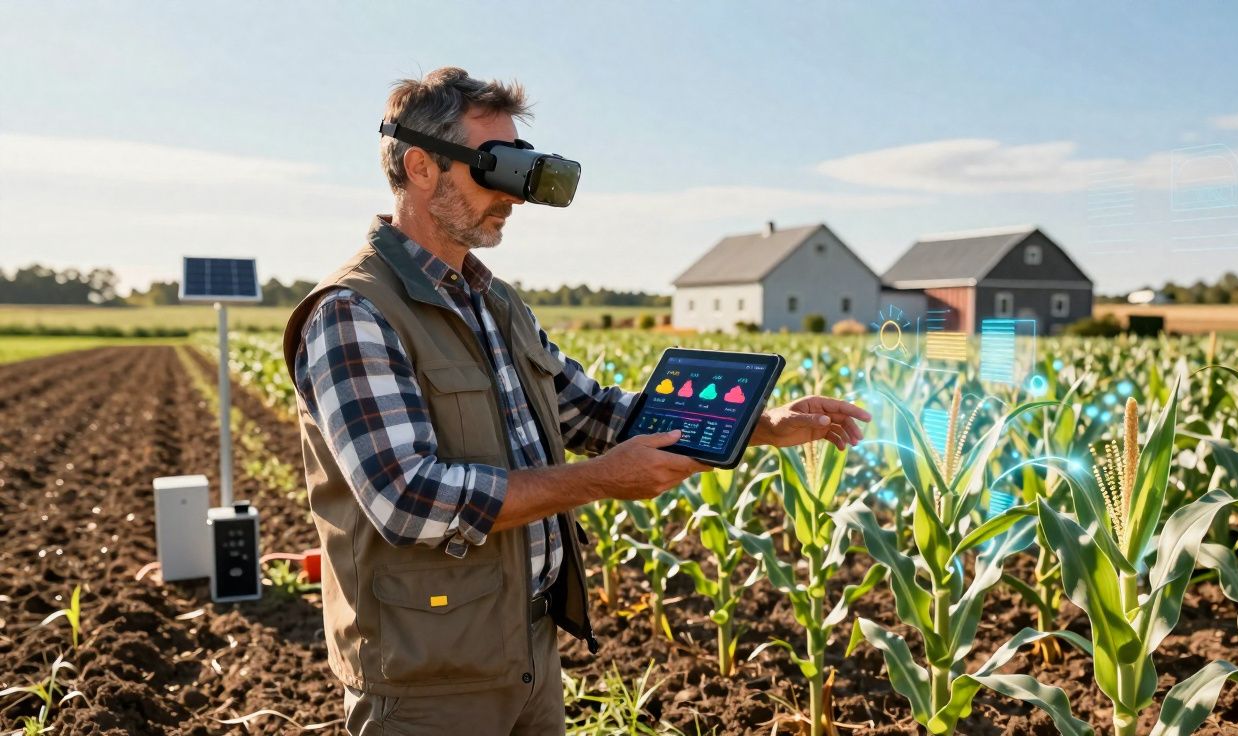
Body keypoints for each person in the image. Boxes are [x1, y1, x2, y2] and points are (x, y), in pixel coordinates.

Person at [281, 66, 871, 735]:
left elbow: (593, 412)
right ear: (421, 167)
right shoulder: (355, 312)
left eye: (522, 173)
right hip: (429, 681)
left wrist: (760, 426)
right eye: (495, 170)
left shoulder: (492, 301)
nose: (515, 198)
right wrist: (599, 482)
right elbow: (409, 499)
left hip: (525, 651)